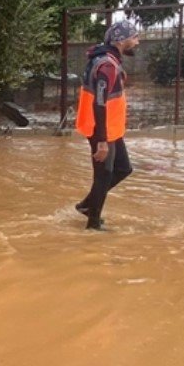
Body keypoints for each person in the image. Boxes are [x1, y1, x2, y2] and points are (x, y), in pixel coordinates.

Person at [74, 19, 140, 230]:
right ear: (122, 40)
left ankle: (87, 205)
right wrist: (101, 140)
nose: (137, 41)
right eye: (134, 37)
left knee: (123, 168)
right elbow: (100, 102)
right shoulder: (107, 66)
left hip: (110, 128)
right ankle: (93, 226)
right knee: (104, 175)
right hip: (101, 129)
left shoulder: (106, 59)